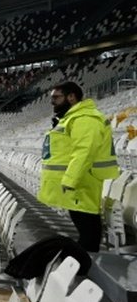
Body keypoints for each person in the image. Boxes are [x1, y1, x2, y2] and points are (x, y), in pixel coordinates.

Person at [38, 82, 119, 252]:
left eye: (56, 97)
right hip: (79, 182)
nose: (52, 102)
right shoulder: (73, 118)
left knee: (87, 224)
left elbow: (85, 151)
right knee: (83, 223)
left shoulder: (85, 118)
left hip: (83, 181)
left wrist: (70, 180)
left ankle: (88, 262)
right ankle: (86, 260)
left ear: (71, 97)